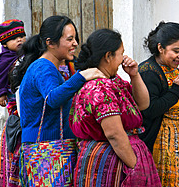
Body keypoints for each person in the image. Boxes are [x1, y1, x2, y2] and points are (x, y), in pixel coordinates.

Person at [9, 15, 105, 186]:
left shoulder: (50, 67)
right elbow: (53, 98)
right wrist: (82, 76)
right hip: (47, 150)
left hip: (51, 147)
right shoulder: (43, 67)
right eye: (70, 39)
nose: (75, 43)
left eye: (75, 38)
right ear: (50, 43)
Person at [69, 28, 161, 187]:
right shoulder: (99, 87)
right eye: (121, 53)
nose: (123, 58)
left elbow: (143, 104)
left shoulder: (113, 81)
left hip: (117, 156)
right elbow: (114, 134)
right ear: (108, 56)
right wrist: (134, 166)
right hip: (111, 162)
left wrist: (134, 75)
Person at [138, 21, 179, 186]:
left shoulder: (173, 69)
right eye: (176, 51)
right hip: (160, 143)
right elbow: (149, 109)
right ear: (160, 48)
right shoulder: (148, 72)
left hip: (178, 140)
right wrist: (177, 90)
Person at [0, 19, 26, 187]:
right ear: (5, 44)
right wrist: (0, 94)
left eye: (22, 36)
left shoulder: (27, 56)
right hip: (12, 98)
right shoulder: (4, 59)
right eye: (15, 39)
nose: (20, 40)